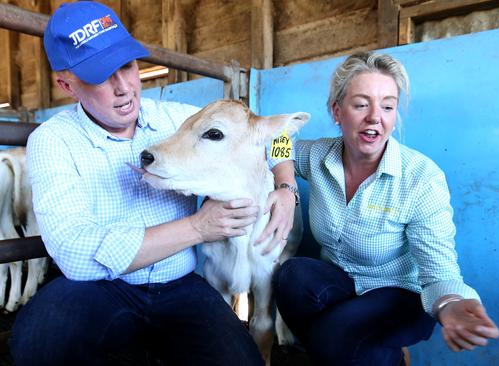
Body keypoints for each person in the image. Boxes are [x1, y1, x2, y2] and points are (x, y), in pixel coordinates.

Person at [10, 2, 298, 365]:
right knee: (38, 344)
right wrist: (197, 227)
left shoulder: (177, 119)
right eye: (101, 76)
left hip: (180, 286)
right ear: (67, 85)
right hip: (98, 290)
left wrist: (286, 188)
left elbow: (276, 137)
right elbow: (76, 256)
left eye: (127, 66)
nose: (124, 88)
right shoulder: (53, 140)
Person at [273, 52, 499, 366]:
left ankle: (348, 348)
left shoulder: (421, 178)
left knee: (330, 340)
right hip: (342, 285)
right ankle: (376, 354)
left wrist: (449, 304)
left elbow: (439, 273)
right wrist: (286, 187)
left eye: (388, 106)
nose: (374, 117)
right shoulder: (318, 155)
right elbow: (277, 139)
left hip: (402, 296)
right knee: (292, 276)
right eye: (361, 104)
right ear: (337, 111)